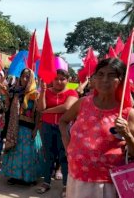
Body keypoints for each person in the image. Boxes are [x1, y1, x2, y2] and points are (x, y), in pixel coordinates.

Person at [59, 58, 134, 198]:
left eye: (111, 75)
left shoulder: (127, 113)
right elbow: (63, 121)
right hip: (76, 177)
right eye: (100, 74)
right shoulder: (83, 103)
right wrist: (67, 145)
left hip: (105, 184)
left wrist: (127, 134)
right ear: (94, 79)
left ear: (120, 79)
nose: (105, 79)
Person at [36, 69, 79, 197]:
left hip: (64, 128)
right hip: (47, 127)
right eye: (56, 79)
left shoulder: (72, 92)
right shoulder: (46, 91)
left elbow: (67, 107)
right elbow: (40, 108)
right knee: (48, 155)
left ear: (68, 80)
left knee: (64, 156)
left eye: (62, 79)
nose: (59, 82)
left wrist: (47, 111)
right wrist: (43, 91)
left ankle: (66, 185)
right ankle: (46, 182)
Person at [1, 68, 42, 185]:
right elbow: (8, 108)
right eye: (23, 76)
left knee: (28, 154)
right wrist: (6, 97)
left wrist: (36, 129)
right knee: (15, 153)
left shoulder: (35, 94)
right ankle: (14, 176)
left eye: (28, 77)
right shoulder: (15, 91)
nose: (25, 79)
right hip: (16, 128)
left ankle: (30, 177)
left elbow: (39, 113)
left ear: (32, 79)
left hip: (29, 130)